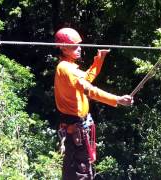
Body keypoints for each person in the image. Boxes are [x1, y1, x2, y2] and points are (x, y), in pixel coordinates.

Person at [54, 27, 133, 180]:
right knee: (80, 171)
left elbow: (87, 79)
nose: (79, 48)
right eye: (74, 46)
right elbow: (90, 90)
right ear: (63, 48)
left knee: (81, 168)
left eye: (79, 45)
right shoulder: (66, 69)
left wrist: (100, 58)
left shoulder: (68, 67)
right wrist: (117, 99)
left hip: (78, 128)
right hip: (75, 129)